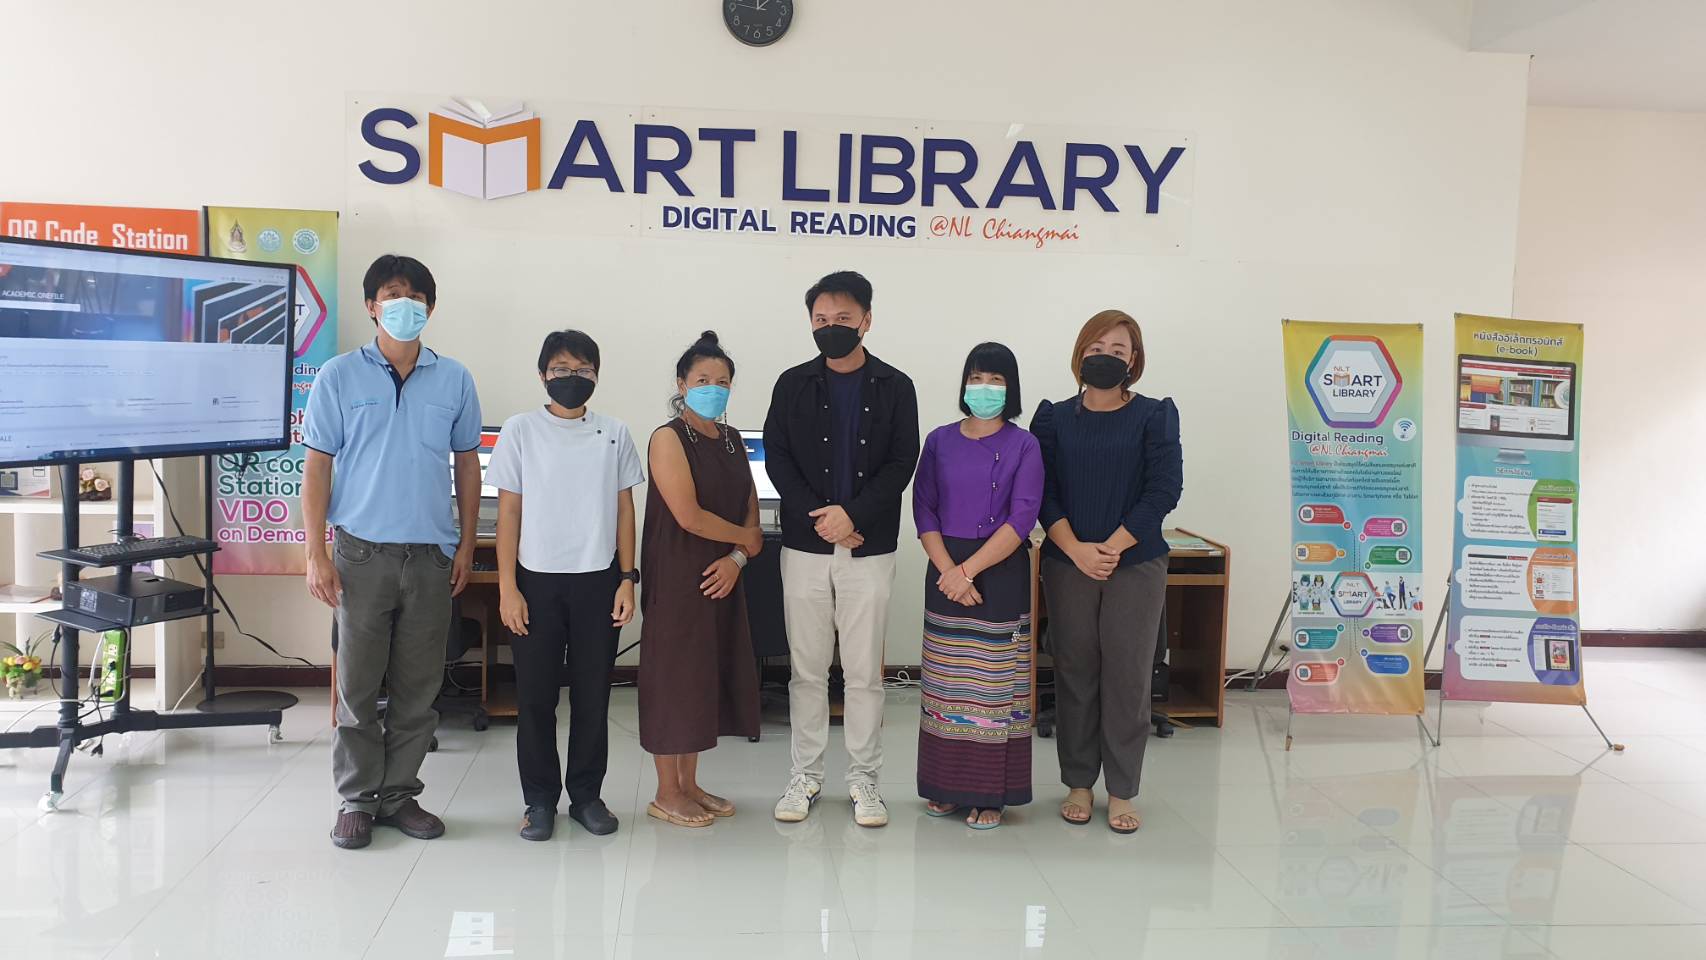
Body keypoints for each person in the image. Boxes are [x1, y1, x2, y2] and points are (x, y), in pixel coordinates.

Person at [303, 254, 482, 850]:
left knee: (418, 689)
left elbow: (466, 464)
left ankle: (400, 795)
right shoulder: (338, 376)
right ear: (371, 306)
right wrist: (315, 553)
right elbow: (318, 466)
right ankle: (357, 799)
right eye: (393, 294)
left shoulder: (454, 378)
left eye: (416, 296)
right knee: (357, 687)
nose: (405, 305)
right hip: (360, 554)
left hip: (430, 555)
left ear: (430, 307)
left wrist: (465, 544)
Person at [764, 270, 920, 829]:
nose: (831, 327)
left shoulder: (896, 386)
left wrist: (853, 516)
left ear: (866, 321)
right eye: (821, 320)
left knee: (863, 674)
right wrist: (825, 518)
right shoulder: (792, 384)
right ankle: (804, 775)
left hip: (869, 547)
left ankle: (864, 779)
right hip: (805, 546)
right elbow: (778, 457)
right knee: (806, 670)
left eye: (843, 319)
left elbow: (902, 462)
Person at [1031, 309, 1182, 835]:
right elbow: (1041, 491)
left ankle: (1121, 789)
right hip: (1067, 560)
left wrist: (1112, 547)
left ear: (1133, 360)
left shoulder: (1155, 415)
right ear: (1080, 354)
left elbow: (1164, 489)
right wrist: (1076, 549)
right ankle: (1078, 782)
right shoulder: (1052, 418)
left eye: (1118, 350)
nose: (1106, 357)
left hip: (1134, 561)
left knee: (1127, 675)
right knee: (1074, 670)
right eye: (1096, 348)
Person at [488, 329, 643, 841]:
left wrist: (627, 579)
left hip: (599, 580)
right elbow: (508, 513)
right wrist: (508, 588)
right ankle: (538, 801)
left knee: (593, 697)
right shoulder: (520, 430)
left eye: (582, 370)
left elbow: (625, 509)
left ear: (596, 376)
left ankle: (586, 797)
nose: (571, 378)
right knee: (535, 698)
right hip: (535, 581)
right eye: (561, 369)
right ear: (542, 375)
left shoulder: (615, 432)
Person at [911, 343, 1043, 829]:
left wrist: (967, 572)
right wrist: (950, 570)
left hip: (999, 570)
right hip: (944, 567)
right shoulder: (939, 440)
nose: (984, 388)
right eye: (977, 378)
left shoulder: (1025, 445)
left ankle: (990, 794)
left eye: (996, 380)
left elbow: (1023, 516)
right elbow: (923, 508)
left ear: (1011, 388)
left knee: (991, 688)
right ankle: (945, 787)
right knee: (946, 683)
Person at [638, 331, 763, 828]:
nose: (714, 388)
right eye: (703, 379)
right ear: (682, 384)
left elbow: (750, 503)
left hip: (722, 575)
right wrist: (746, 540)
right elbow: (688, 515)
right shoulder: (667, 438)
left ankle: (690, 785)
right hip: (677, 576)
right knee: (674, 680)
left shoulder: (731, 440)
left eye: (723, 381)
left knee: (702, 680)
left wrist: (738, 558)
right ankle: (666, 792)